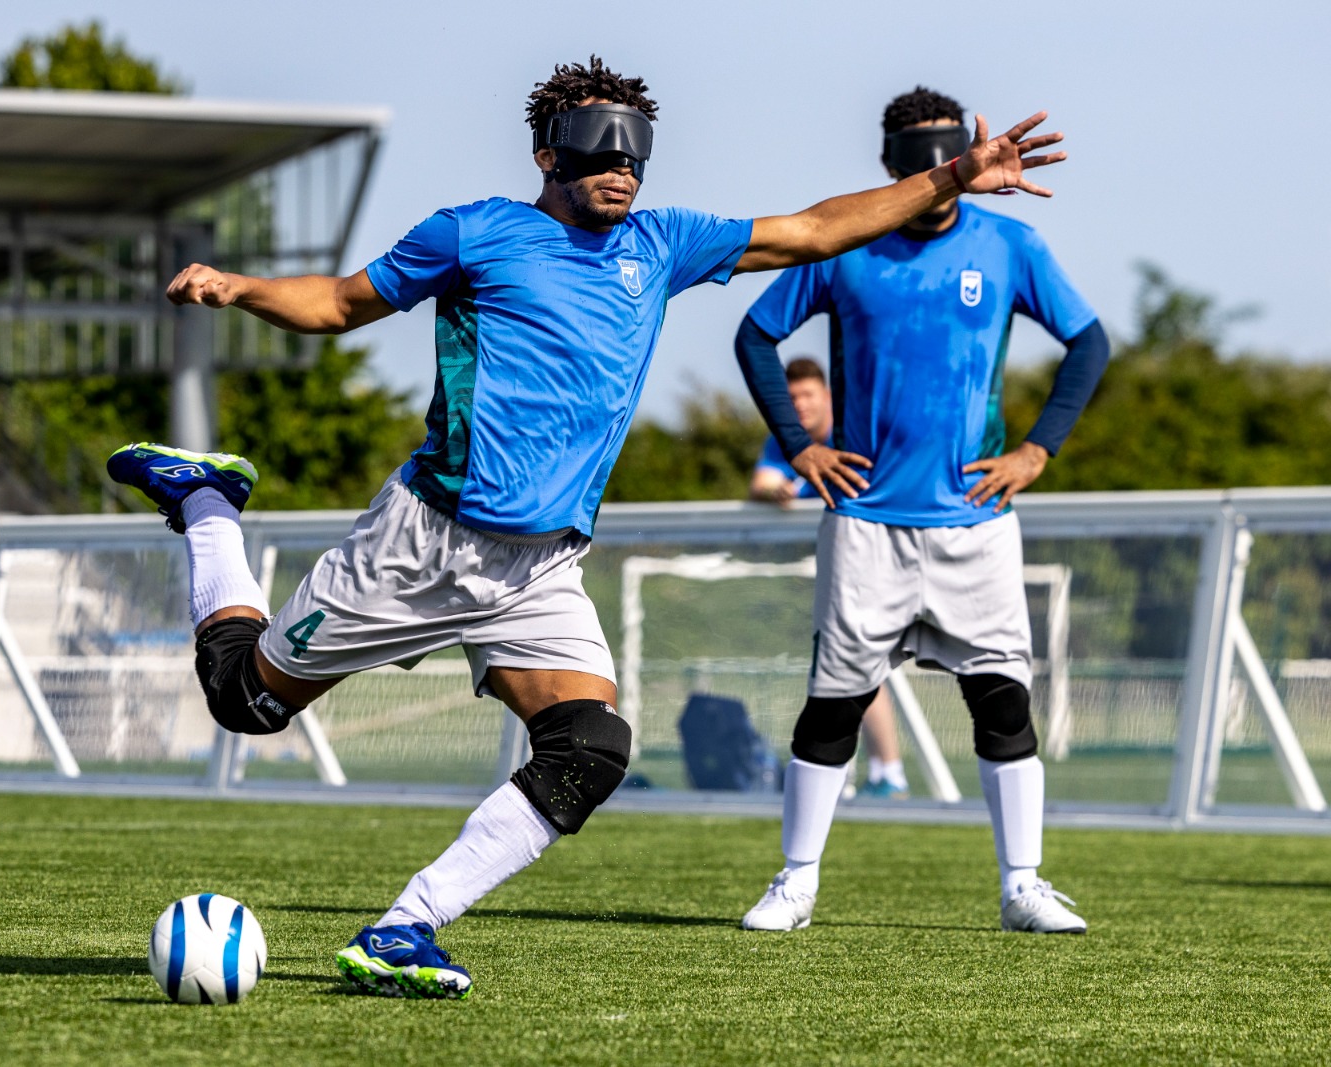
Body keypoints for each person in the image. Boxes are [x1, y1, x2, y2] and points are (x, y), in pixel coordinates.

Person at [108, 59, 1067, 998]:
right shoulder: (476, 234)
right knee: (246, 702)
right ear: (544, 153)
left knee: (593, 748)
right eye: (595, 144)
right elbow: (338, 303)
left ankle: (405, 926)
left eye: (637, 149)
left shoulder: (664, 245)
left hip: (540, 572)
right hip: (423, 542)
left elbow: (816, 230)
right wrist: (241, 287)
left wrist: (947, 178)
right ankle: (204, 503)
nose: (620, 166)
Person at [734, 86, 1109, 936]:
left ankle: (1024, 885)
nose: (938, 173)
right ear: (893, 165)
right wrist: (798, 444)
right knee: (834, 704)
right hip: (866, 521)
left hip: (974, 521)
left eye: (947, 155)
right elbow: (756, 335)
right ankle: (795, 882)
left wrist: (1037, 449)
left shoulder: (1011, 244)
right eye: (920, 158)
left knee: (1002, 702)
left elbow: (1088, 341)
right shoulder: (845, 248)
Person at [749, 357, 909, 800]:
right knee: (855, 666)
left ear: (827, 397)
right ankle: (873, 774)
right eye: (792, 396)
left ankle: (886, 772)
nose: (799, 405)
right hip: (833, 574)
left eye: (807, 396)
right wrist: (774, 490)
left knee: (860, 665)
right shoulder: (784, 441)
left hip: (883, 562)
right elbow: (760, 483)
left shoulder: (859, 431)